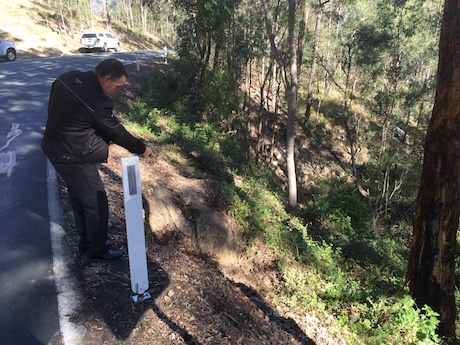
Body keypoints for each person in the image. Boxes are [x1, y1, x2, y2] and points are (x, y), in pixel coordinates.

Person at [42, 58, 153, 261]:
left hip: (53, 148)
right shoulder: (97, 102)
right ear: (106, 79)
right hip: (73, 156)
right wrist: (142, 148)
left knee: (78, 197)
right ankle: (96, 250)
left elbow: (55, 110)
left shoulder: (68, 77)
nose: (117, 91)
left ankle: (86, 241)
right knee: (97, 202)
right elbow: (117, 133)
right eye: (117, 86)